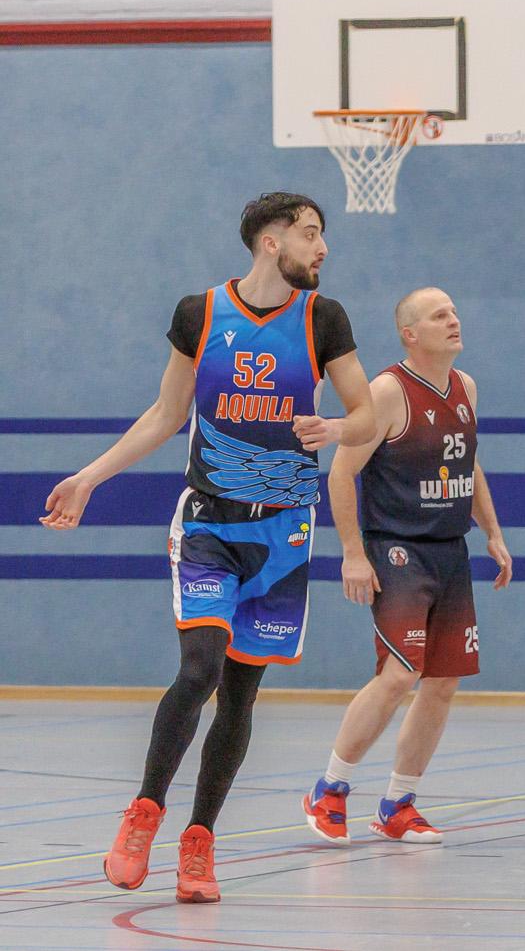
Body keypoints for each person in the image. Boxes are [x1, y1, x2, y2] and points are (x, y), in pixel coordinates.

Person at [42, 192, 376, 903]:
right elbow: (167, 413)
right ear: (270, 241)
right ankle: (144, 812)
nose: (322, 247)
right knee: (200, 669)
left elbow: (367, 413)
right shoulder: (200, 314)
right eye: (310, 233)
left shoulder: (325, 318)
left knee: (241, 693)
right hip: (208, 525)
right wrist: (89, 478)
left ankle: (199, 842)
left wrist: (338, 430)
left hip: (283, 532)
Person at [302, 287, 514, 846]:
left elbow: (468, 463)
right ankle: (329, 788)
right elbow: (340, 473)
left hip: (450, 550)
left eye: (455, 311)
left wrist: (492, 532)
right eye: (440, 315)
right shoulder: (387, 392)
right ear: (410, 334)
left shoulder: (466, 388)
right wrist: (352, 554)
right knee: (399, 674)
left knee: (442, 683)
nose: (454, 319)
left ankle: (398, 803)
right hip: (397, 550)